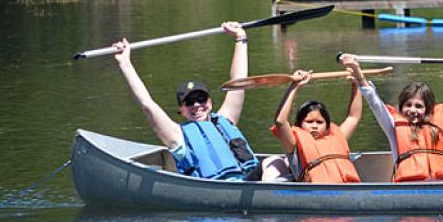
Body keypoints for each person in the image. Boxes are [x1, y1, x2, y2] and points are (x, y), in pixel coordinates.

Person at [112, 21, 261, 181]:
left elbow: (239, 81)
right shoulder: (177, 136)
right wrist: (125, 63)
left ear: (209, 103)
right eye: (189, 102)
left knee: (275, 163)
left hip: (252, 180)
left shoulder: (226, 120)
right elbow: (147, 104)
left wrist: (240, 37)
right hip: (222, 187)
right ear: (181, 110)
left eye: (200, 99)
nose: (196, 105)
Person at [339, 53, 443, 182]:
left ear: (428, 109)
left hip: (441, 189)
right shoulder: (393, 127)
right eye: (408, 105)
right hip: (408, 190)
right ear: (401, 107)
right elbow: (374, 102)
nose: (412, 110)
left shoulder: (440, 127)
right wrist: (357, 71)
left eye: (418, 106)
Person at [263, 69, 362, 183]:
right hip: (316, 190)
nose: (314, 126)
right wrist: (294, 86)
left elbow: (353, 117)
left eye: (320, 122)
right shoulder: (293, 144)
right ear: (300, 124)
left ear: (327, 125)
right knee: (272, 161)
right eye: (309, 122)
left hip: (347, 187)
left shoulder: (337, 135)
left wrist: (356, 83)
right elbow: (280, 121)